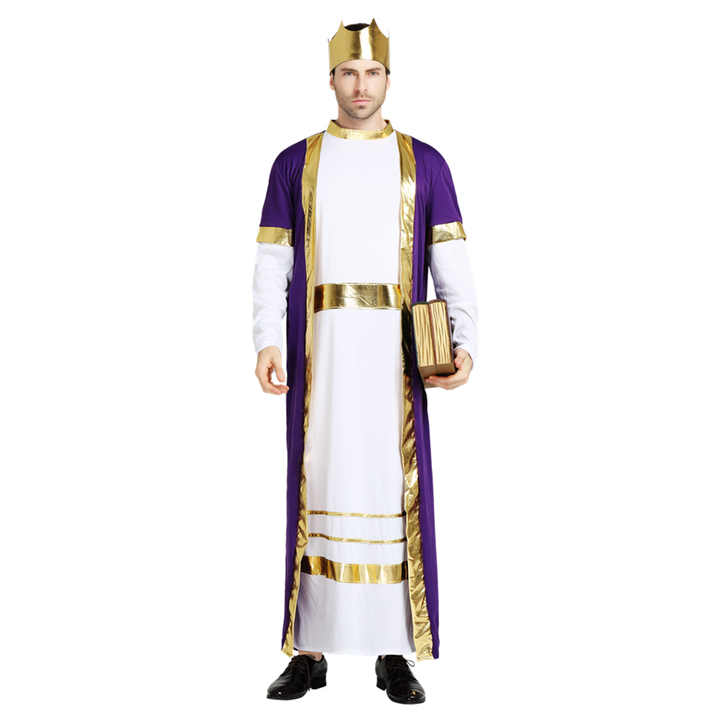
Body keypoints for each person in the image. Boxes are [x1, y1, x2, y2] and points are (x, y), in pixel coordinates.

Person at [252, 19, 478, 704]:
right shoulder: (295, 163)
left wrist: (464, 342)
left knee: (390, 489)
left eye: (372, 73)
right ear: (331, 79)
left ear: (387, 79)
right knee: (317, 484)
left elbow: (451, 263)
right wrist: (266, 339)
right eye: (349, 73)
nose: (360, 86)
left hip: (393, 362)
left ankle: (394, 652)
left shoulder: (425, 163)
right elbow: (272, 262)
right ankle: (309, 651)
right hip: (320, 356)